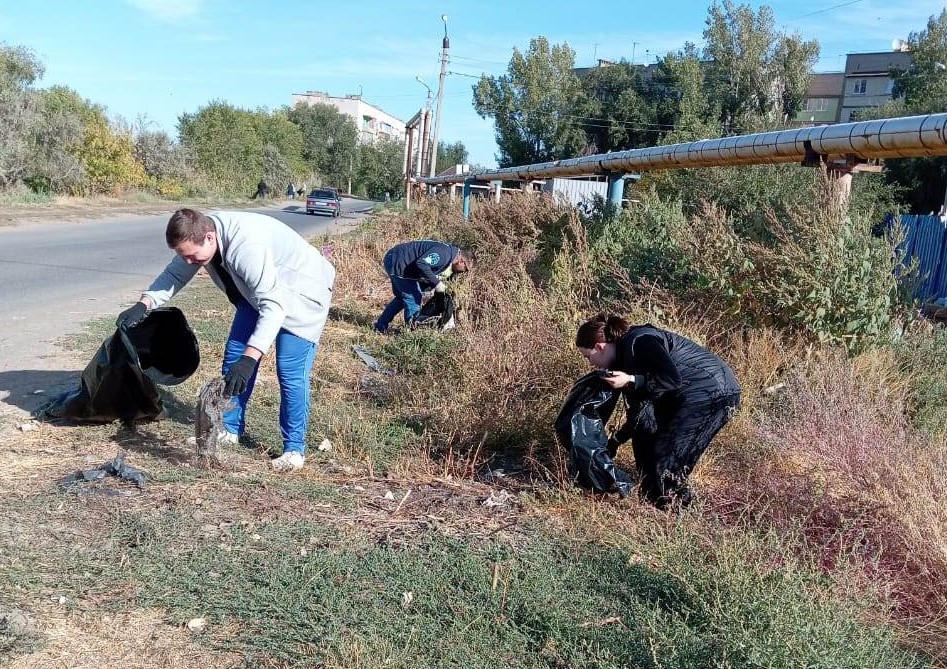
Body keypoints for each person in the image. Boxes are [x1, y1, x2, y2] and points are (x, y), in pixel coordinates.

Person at [115, 208, 336, 472]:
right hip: (258, 294)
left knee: (289, 371)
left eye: (192, 256)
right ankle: (229, 429)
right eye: (184, 257)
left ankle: (294, 450)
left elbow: (274, 307)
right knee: (234, 357)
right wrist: (144, 304)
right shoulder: (200, 233)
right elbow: (174, 275)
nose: (189, 263)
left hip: (302, 293)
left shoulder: (247, 247)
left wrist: (250, 360)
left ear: (209, 238)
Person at [574, 313, 741, 508]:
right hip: (690, 396)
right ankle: (658, 503)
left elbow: (671, 379)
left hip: (712, 394)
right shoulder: (624, 358)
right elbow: (641, 414)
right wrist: (615, 441)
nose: (590, 363)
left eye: (588, 356)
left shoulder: (640, 341)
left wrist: (630, 380)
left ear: (600, 347)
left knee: (665, 463)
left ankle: (677, 511)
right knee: (650, 461)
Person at [372, 240, 474, 334]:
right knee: (413, 297)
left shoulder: (450, 261)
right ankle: (412, 334)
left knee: (401, 299)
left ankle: (380, 326)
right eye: (465, 269)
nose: (464, 272)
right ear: (461, 261)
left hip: (397, 261)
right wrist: (437, 283)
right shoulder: (444, 255)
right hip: (398, 261)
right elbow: (421, 263)